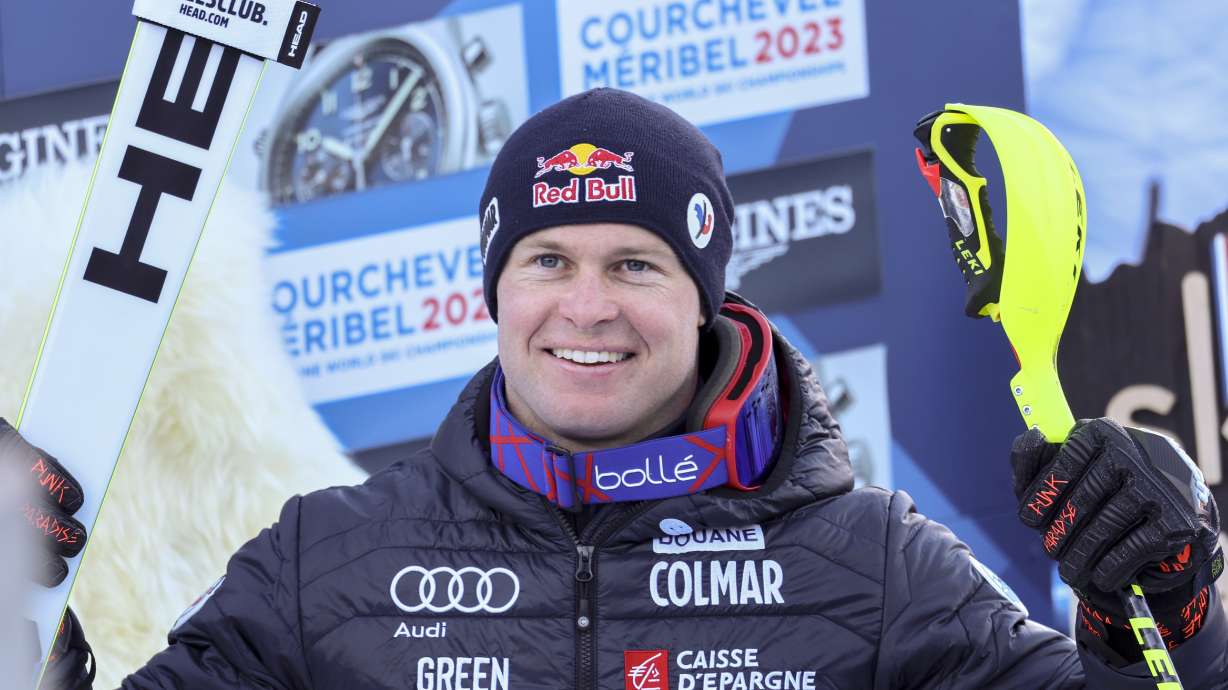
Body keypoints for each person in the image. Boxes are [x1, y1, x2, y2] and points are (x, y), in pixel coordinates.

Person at [9, 87, 1226, 689]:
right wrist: (20, 629)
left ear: (705, 292)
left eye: (635, 264)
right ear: (493, 291)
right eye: (547, 260)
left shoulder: (877, 566)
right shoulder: (324, 564)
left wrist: (1164, 616)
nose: (584, 307)